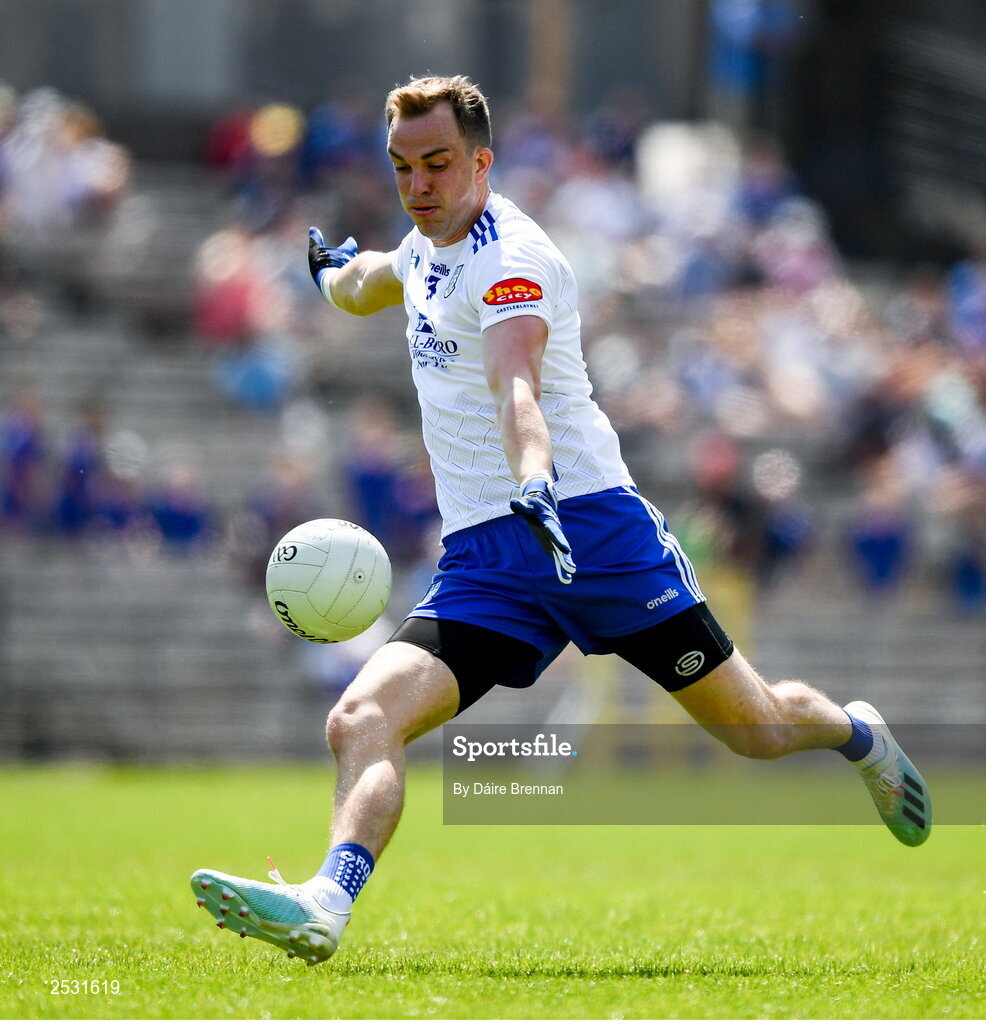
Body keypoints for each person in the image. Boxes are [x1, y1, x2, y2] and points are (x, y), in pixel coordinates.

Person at [191, 75, 931, 966]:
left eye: (437, 164)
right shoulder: (423, 248)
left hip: (589, 532)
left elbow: (517, 388)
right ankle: (326, 901)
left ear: (481, 162)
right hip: (488, 563)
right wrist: (329, 271)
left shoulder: (514, 261)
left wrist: (534, 479)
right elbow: (369, 283)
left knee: (757, 730)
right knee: (358, 718)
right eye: (402, 168)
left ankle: (858, 734)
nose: (419, 185)